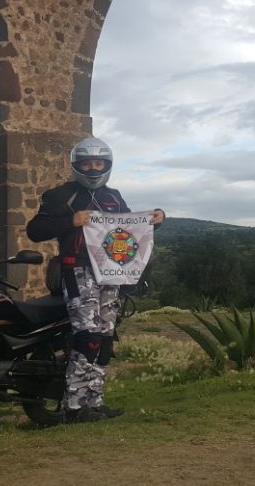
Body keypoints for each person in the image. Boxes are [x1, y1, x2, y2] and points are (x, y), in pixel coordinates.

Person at [26, 136, 164, 424]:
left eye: (98, 162)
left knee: (104, 340)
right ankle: (74, 405)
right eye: (87, 162)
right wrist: (70, 221)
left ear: (106, 164)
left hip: (111, 274)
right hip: (78, 272)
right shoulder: (61, 195)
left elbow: (130, 228)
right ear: (77, 165)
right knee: (86, 336)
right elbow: (35, 230)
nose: (92, 168)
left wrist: (157, 219)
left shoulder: (113, 197)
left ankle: (95, 402)